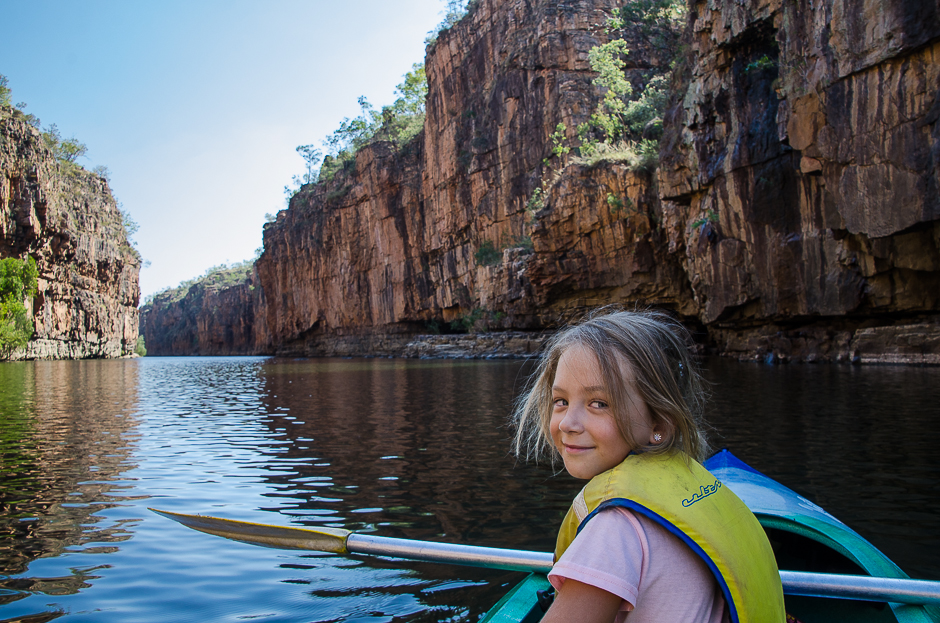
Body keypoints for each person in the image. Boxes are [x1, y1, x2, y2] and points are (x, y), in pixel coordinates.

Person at [512, 308, 785, 623]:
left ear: (659, 422)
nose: (568, 424)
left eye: (598, 404)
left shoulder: (615, 529)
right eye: (561, 401)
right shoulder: (688, 485)